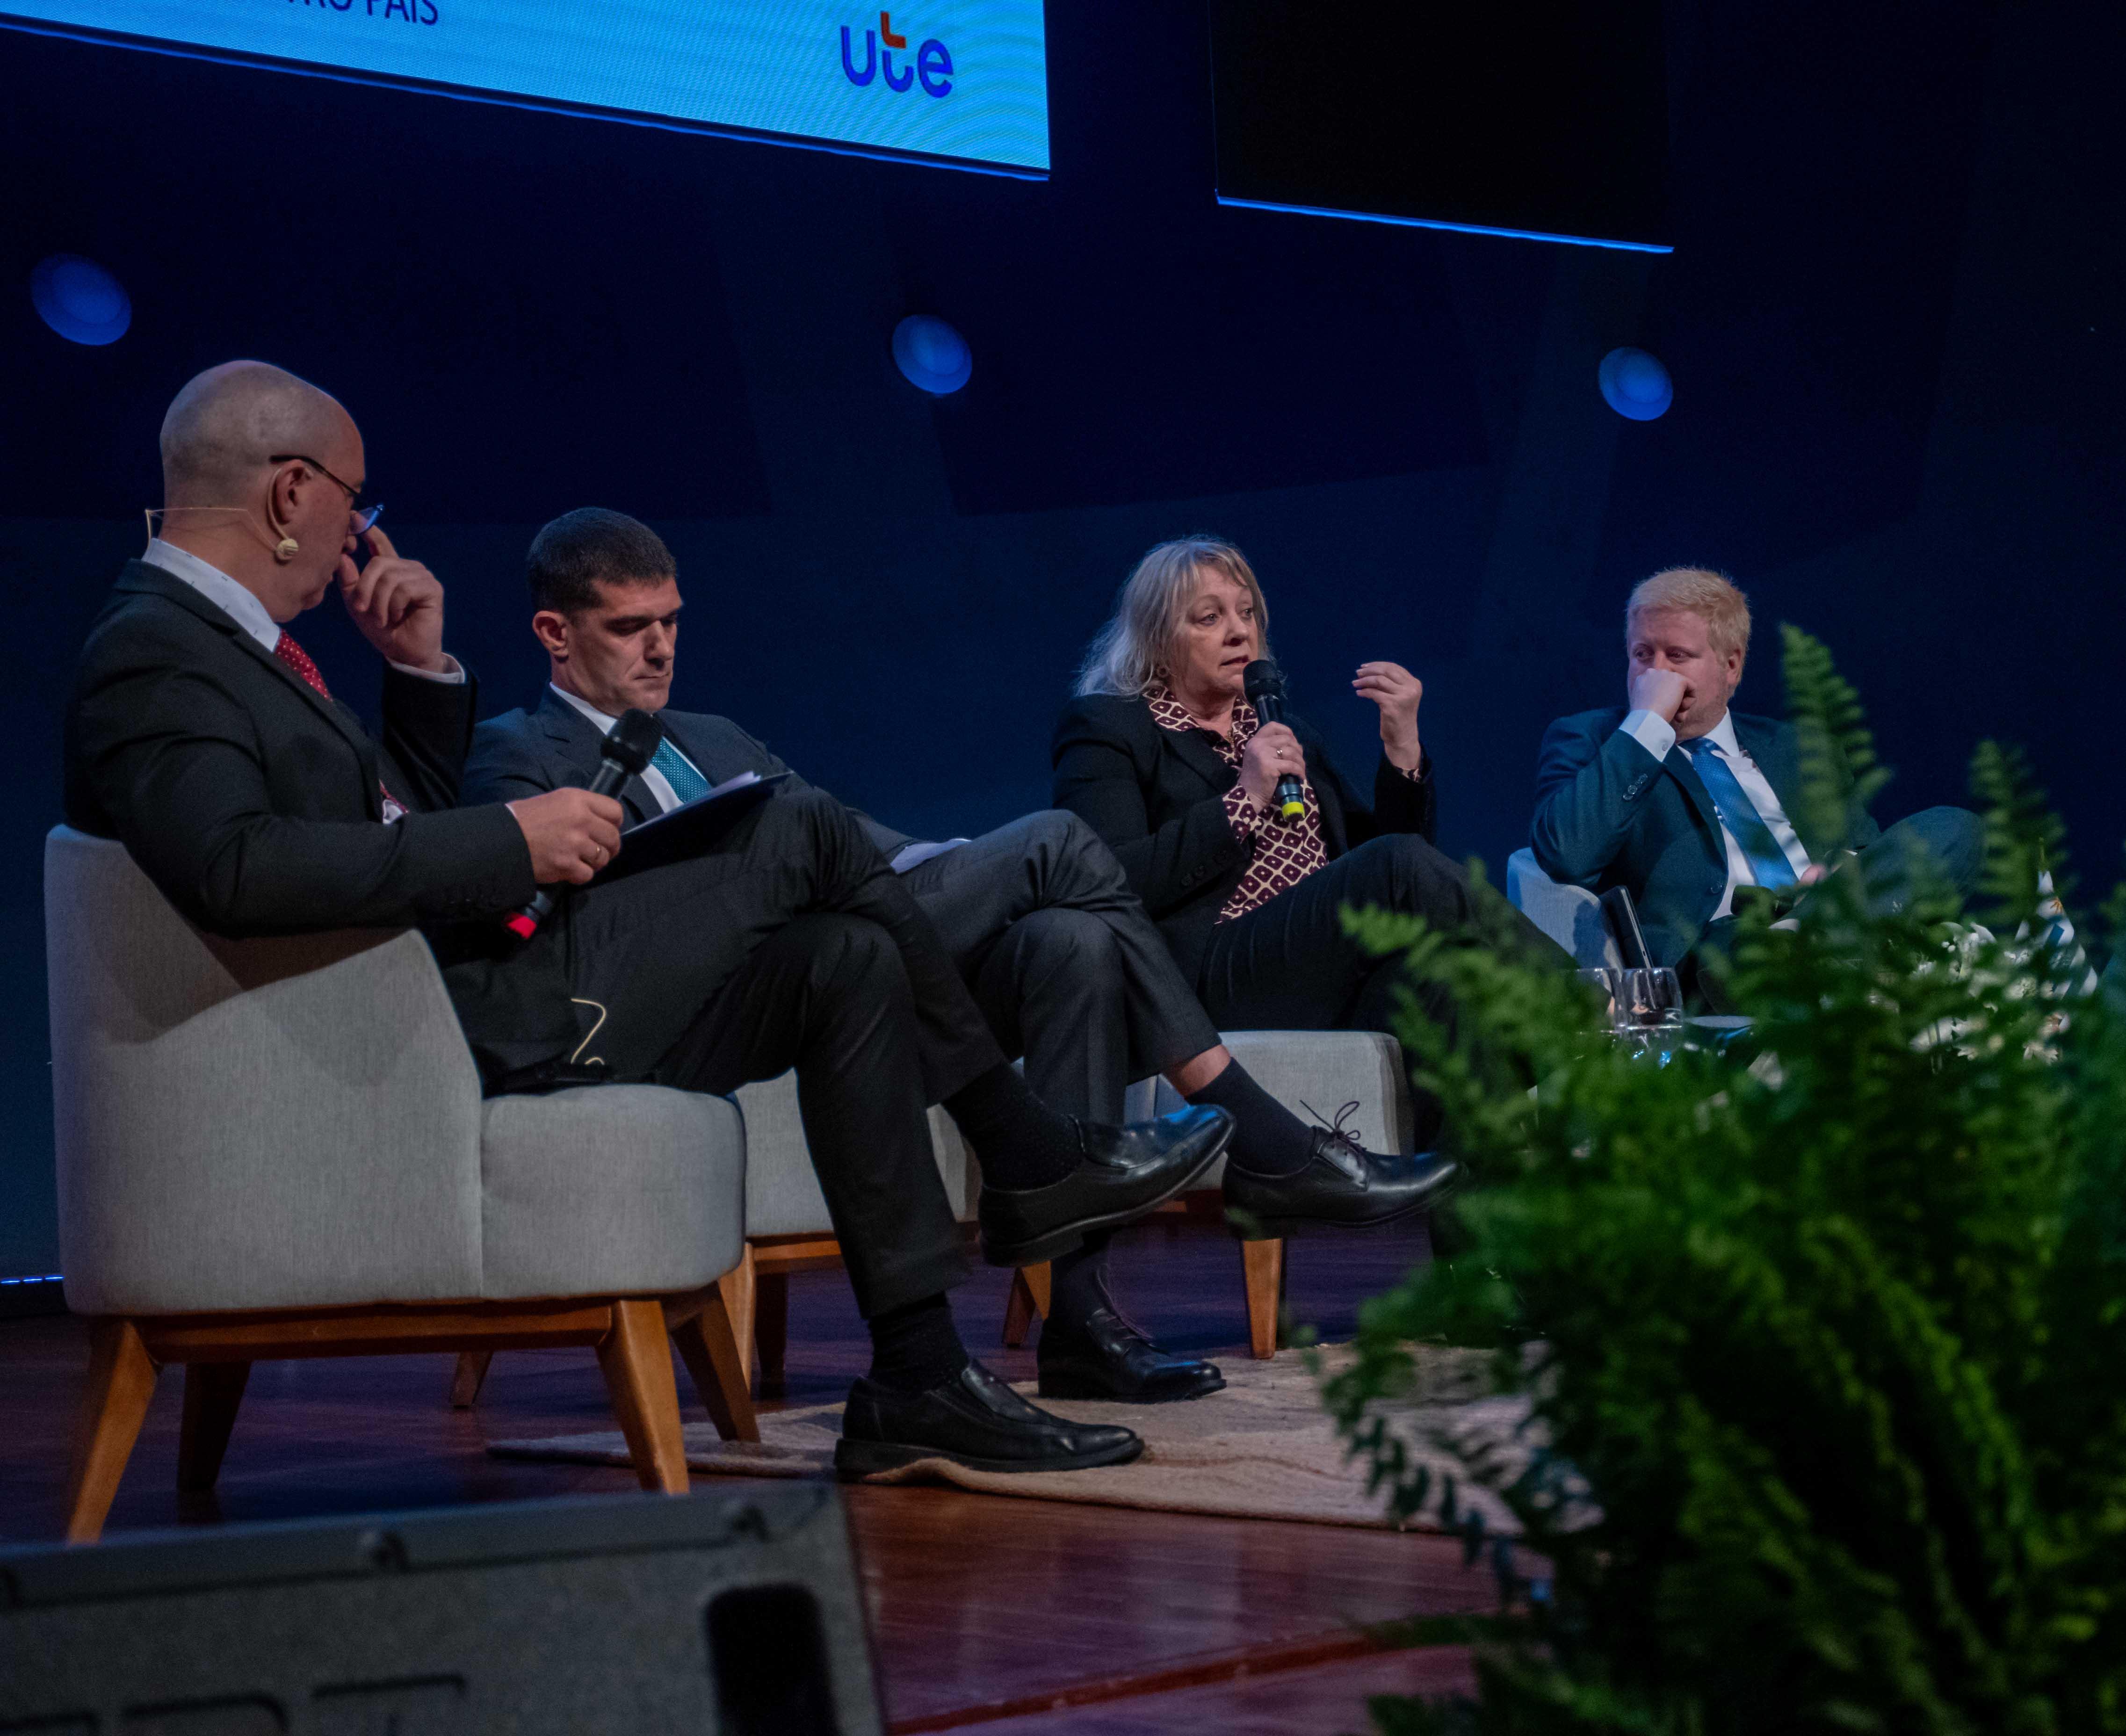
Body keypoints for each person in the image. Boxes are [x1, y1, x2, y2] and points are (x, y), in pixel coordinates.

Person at [66, 361, 1227, 1476]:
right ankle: (1023, 1145)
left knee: (850, 956)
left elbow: (375, 829)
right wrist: (510, 840)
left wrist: (417, 675)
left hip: (481, 995)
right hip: (479, 1024)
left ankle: (917, 1377)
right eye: (351, 500)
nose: (355, 530)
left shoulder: (223, 650)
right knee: (806, 828)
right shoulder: (157, 651)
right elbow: (234, 869)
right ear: (288, 492)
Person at [468, 509, 1411, 1402]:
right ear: (556, 632)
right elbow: (556, 931)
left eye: (671, 622)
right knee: (1057, 843)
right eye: (632, 627)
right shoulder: (513, 752)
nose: (662, 646)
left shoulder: (713, 735)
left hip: (840, 966)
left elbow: (860, 844)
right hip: (700, 1003)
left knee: (1068, 939)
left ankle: (1081, 1327)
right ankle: (1266, 1133)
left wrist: (969, 870)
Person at [1055, 535, 1558, 1178]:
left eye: (1247, 613)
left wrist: (1402, 748)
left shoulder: (1281, 731)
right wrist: (1243, 799)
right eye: (1210, 618)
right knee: (1396, 866)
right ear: (1158, 639)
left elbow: (1390, 867)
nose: (1239, 632)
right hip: (1206, 977)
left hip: (1317, 971)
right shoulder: (1109, 729)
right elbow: (1110, 882)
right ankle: (1586, 1010)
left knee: (1454, 991)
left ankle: (1475, 1257)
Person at [1532, 566, 1981, 999]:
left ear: (1732, 666)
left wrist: (1842, 869)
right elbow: (1566, 857)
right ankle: (1810, 953)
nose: (1656, 674)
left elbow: (1869, 853)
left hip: (1824, 922)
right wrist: (1647, 726)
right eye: (1642, 654)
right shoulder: (1595, 739)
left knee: (1955, 827)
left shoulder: (1799, 749)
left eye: (1678, 656)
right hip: (1720, 955)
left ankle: (1811, 942)